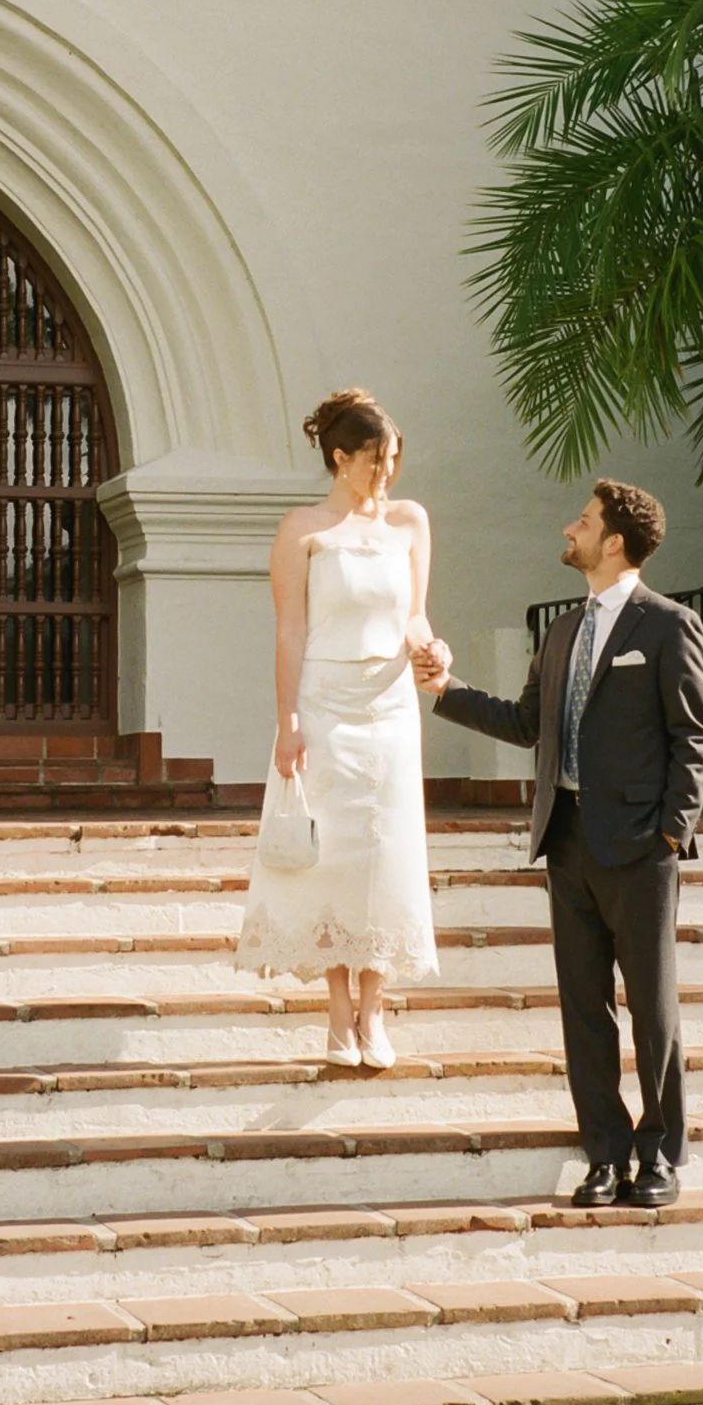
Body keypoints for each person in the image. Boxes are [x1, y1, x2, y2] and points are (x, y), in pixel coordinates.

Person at [414, 481, 703, 1208]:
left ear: (614, 542)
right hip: (567, 841)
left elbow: (695, 738)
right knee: (584, 1010)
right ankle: (604, 1156)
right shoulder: (561, 631)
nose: (569, 529)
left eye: (582, 522)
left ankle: (661, 1156)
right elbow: (526, 724)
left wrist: (672, 832)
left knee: (653, 1009)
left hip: (642, 848)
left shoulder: (668, 626)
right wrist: (445, 688)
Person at [234, 388, 439, 1066]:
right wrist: (287, 721)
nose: (386, 473)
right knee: (334, 852)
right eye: (374, 460)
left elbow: (415, 615)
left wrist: (433, 649)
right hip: (323, 704)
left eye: (394, 459)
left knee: (387, 851)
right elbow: (289, 631)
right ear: (340, 457)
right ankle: (339, 1007)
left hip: (388, 707)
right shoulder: (302, 529)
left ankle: (375, 1010)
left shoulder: (410, 522)